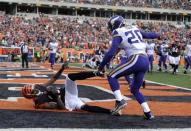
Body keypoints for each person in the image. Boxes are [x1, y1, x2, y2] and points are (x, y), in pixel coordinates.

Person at [98, 15, 160, 120]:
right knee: (135, 89)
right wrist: (158, 35)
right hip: (145, 60)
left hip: (136, 58)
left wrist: (101, 67)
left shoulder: (117, 32)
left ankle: (120, 100)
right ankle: (148, 112)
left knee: (111, 75)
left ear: (115, 25)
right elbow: (148, 35)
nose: (110, 28)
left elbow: (110, 53)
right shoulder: (134, 28)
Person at [21, 63, 112, 114]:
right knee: (85, 107)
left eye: (33, 87)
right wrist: (56, 96)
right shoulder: (40, 104)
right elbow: (61, 108)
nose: (36, 88)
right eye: (33, 90)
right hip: (67, 102)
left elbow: (54, 78)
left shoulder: (39, 87)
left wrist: (62, 69)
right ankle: (111, 111)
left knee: (70, 77)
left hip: (68, 92)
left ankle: (96, 73)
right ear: (31, 96)